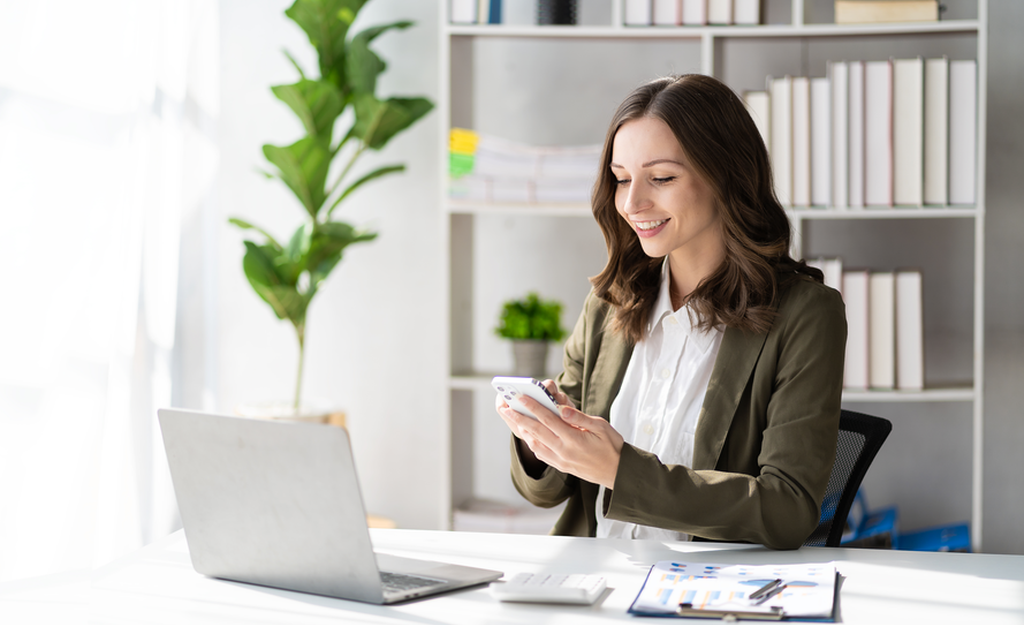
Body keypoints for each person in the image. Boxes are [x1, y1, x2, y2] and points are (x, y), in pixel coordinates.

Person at [495, 74, 847, 550]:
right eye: (621, 179)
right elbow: (546, 491)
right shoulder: (610, 303)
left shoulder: (806, 315)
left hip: (709, 592)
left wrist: (620, 471)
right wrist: (542, 438)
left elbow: (787, 510)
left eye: (660, 178)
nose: (632, 202)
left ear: (726, 175)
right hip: (595, 580)